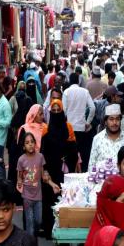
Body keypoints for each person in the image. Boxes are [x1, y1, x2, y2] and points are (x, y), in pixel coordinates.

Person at [41, 99, 78, 238]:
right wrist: (45, 171)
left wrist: (68, 160)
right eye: (54, 111)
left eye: (58, 110)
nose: (56, 113)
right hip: (51, 170)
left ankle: (66, 229)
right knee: (50, 199)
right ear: (50, 112)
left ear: (62, 111)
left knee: (65, 199)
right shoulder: (46, 129)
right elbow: (43, 152)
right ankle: (50, 230)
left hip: (65, 170)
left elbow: (74, 149)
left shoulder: (68, 127)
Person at [17, 132, 60, 237]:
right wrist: (19, 182)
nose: (30, 144)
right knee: (30, 224)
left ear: (35, 143)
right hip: (27, 197)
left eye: (32, 142)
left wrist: (52, 184)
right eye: (27, 143)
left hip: (38, 196)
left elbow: (44, 176)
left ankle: (32, 237)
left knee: (38, 221)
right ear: (23, 146)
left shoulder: (40, 157)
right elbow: (19, 176)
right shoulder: (21, 160)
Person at [63, 73, 95, 171]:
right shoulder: (85, 92)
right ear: (79, 81)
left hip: (69, 129)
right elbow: (92, 108)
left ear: (69, 81)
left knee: (71, 155)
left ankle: (71, 171)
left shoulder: (66, 92)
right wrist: (88, 122)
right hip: (81, 127)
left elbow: (63, 110)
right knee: (81, 153)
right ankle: (81, 171)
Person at [88, 104, 124, 169]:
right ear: (106, 122)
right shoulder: (97, 139)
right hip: (102, 178)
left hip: (122, 179)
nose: (115, 122)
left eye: (117, 119)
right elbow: (91, 165)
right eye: (111, 119)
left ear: (120, 121)